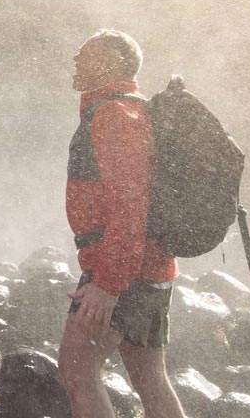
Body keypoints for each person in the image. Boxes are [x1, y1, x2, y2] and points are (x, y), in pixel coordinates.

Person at [58, 30, 186, 418]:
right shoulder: (132, 110)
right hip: (149, 267)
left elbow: (131, 205)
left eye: (87, 55)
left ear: (113, 63)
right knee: (150, 379)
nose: (77, 61)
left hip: (124, 269)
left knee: (77, 371)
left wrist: (108, 284)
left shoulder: (115, 116)